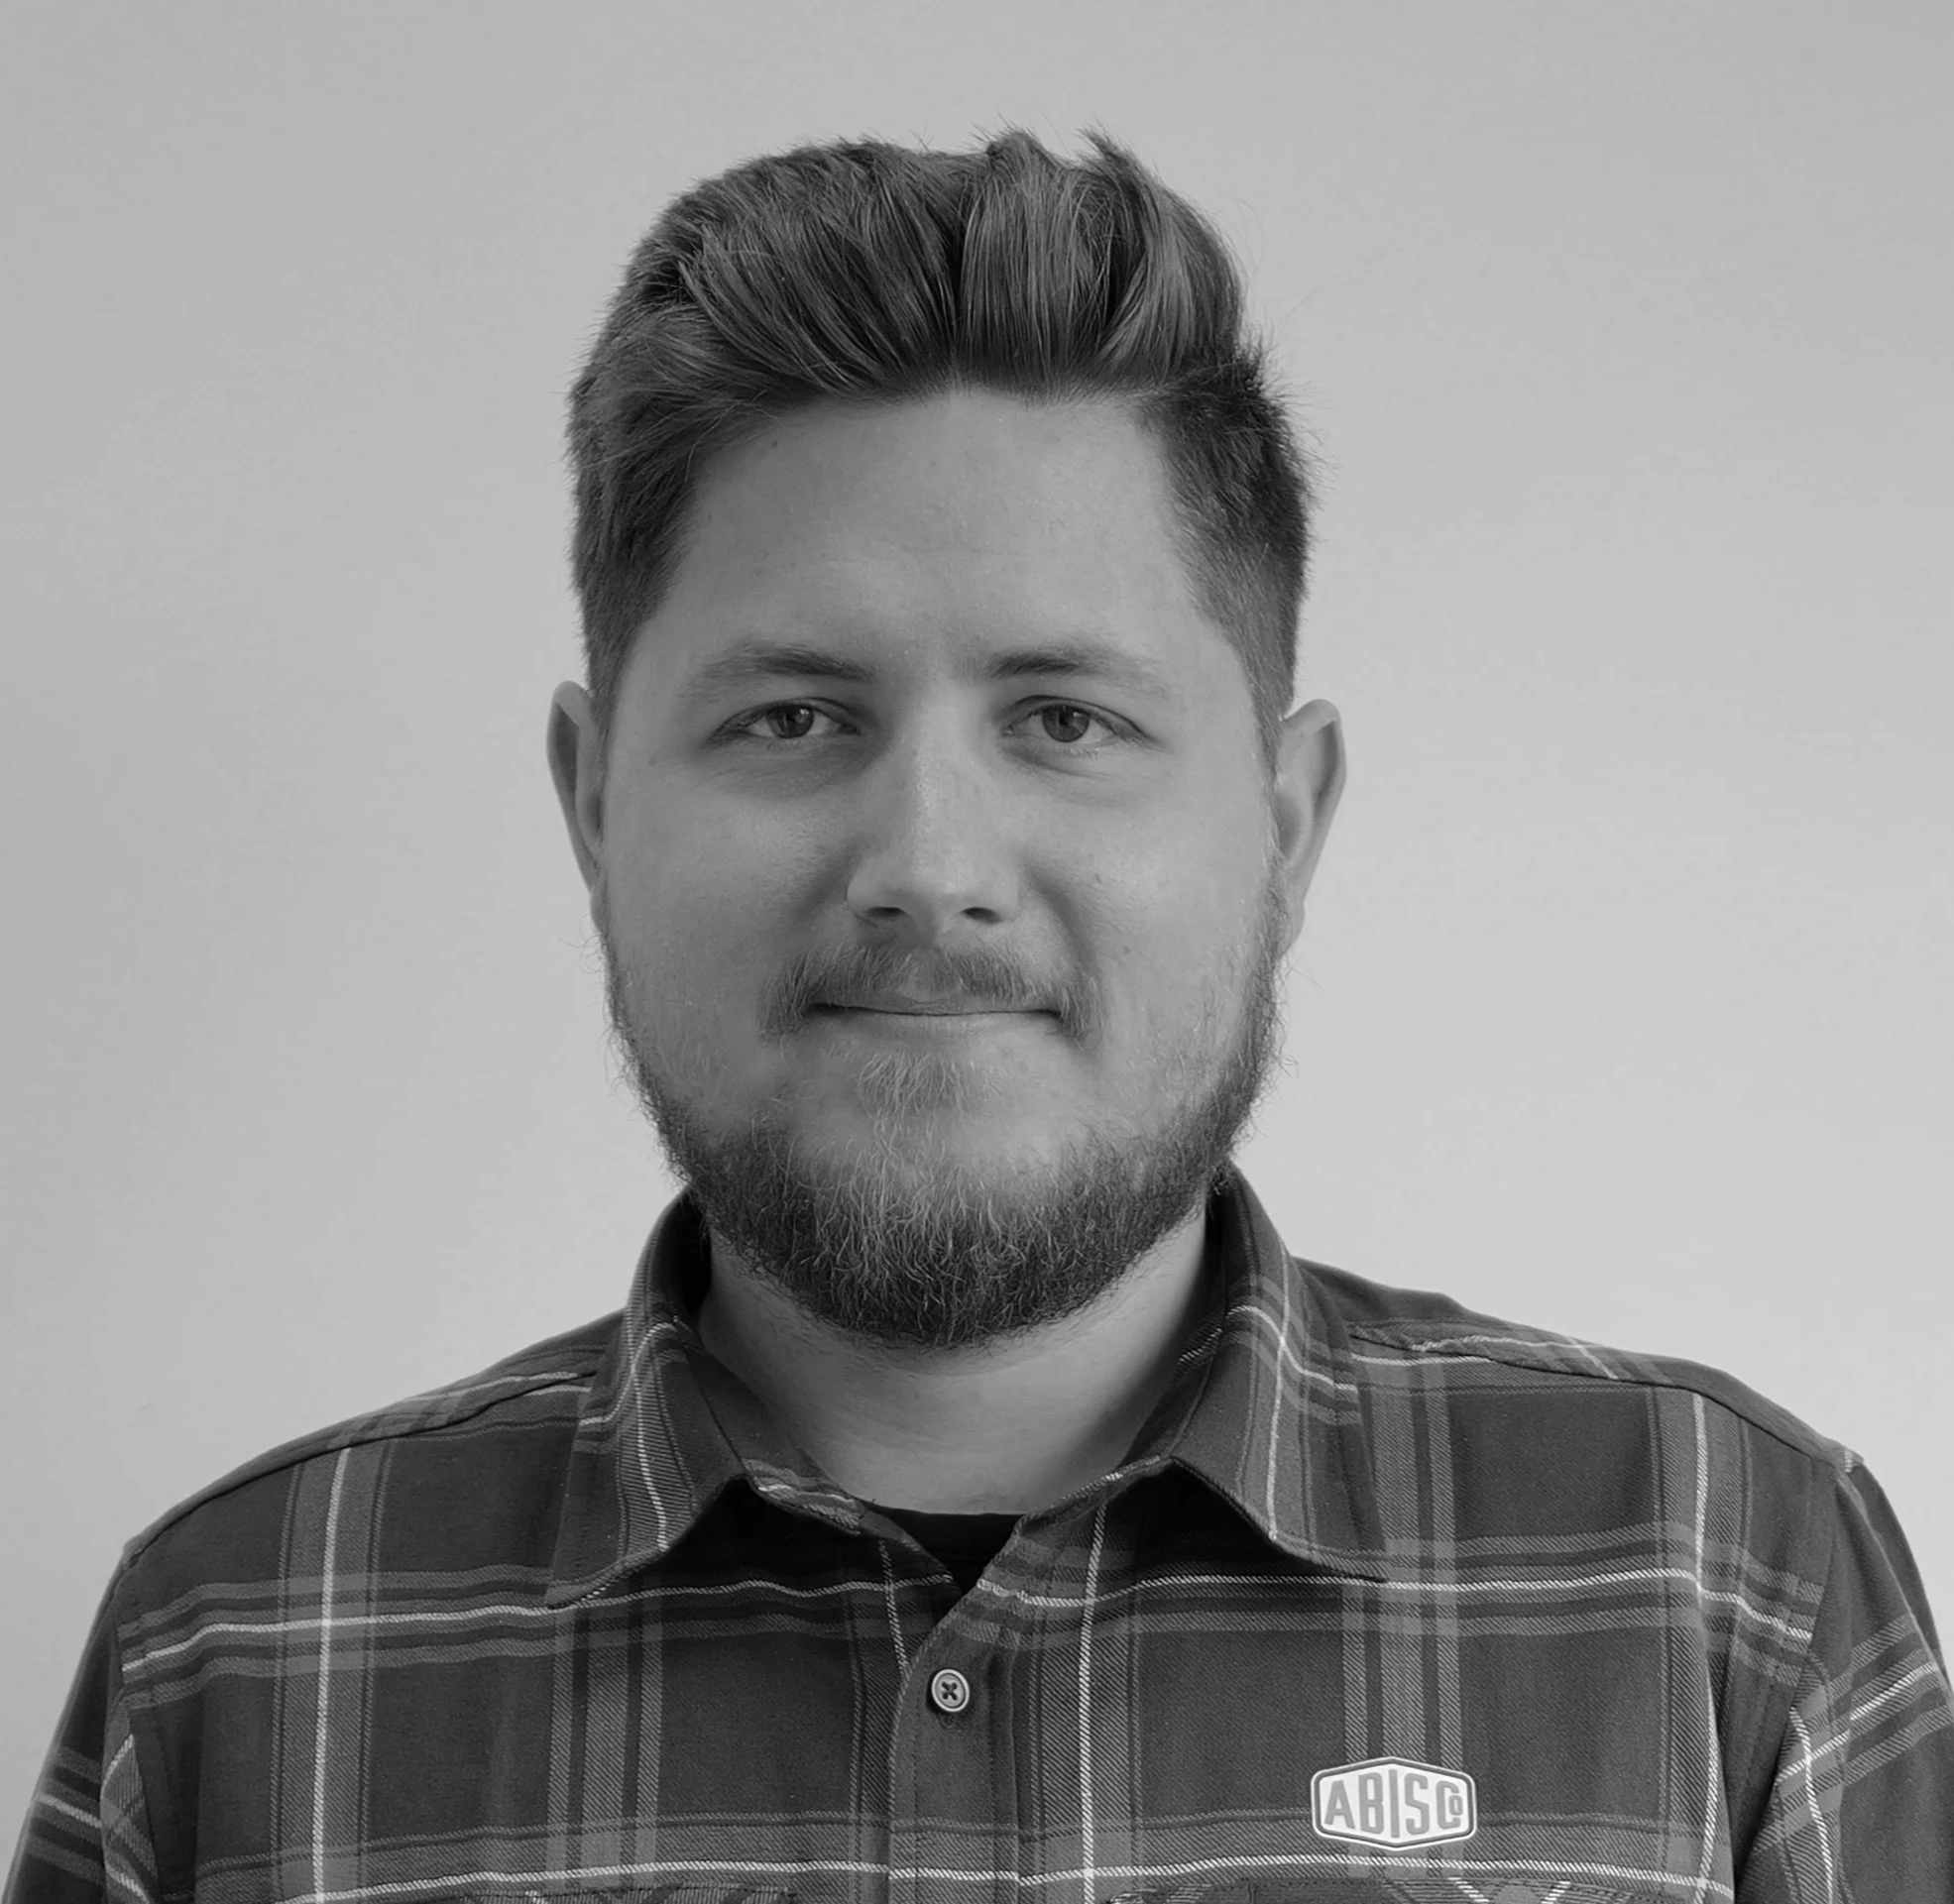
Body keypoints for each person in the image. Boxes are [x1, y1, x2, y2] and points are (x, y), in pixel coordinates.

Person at [10, 128, 1949, 1903]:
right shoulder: (241, 1656)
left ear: (1284, 826)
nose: (927, 859)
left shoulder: (1730, 1589)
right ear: (594, 809)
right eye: (794, 717)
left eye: (1065, 719)